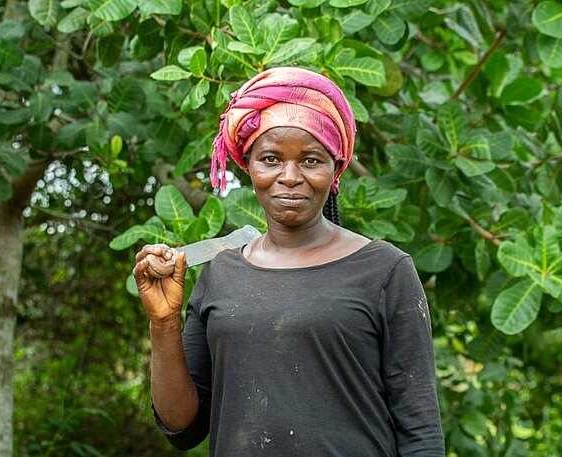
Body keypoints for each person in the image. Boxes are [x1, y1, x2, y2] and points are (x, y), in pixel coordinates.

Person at [133, 67, 445, 456]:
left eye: (311, 160)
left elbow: (420, 430)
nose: (290, 176)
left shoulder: (384, 270)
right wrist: (163, 324)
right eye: (271, 159)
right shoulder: (221, 274)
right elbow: (182, 428)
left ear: (336, 169)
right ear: (249, 167)